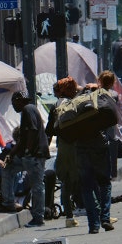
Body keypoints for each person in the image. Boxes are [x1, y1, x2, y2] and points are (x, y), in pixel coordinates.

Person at [0, 91, 51, 228]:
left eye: (14, 102)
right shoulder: (28, 110)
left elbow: (32, 131)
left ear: (19, 100)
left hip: (34, 155)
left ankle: (38, 217)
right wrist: (12, 154)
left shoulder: (28, 109)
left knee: (37, 186)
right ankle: (8, 203)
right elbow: (22, 139)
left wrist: (27, 150)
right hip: (30, 155)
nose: (13, 106)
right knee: (8, 168)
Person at [73, 73, 117, 235]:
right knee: (104, 183)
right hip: (99, 144)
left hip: (81, 146)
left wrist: (84, 89)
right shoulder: (106, 96)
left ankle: (93, 225)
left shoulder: (79, 98)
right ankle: (105, 218)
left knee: (87, 186)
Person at [45, 77, 81, 228]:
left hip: (64, 147)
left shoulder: (56, 106)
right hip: (77, 146)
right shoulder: (75, 103)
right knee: (79, 179)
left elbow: (49, 130)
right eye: (74, 88)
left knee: (66, 182)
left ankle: (69, 216)